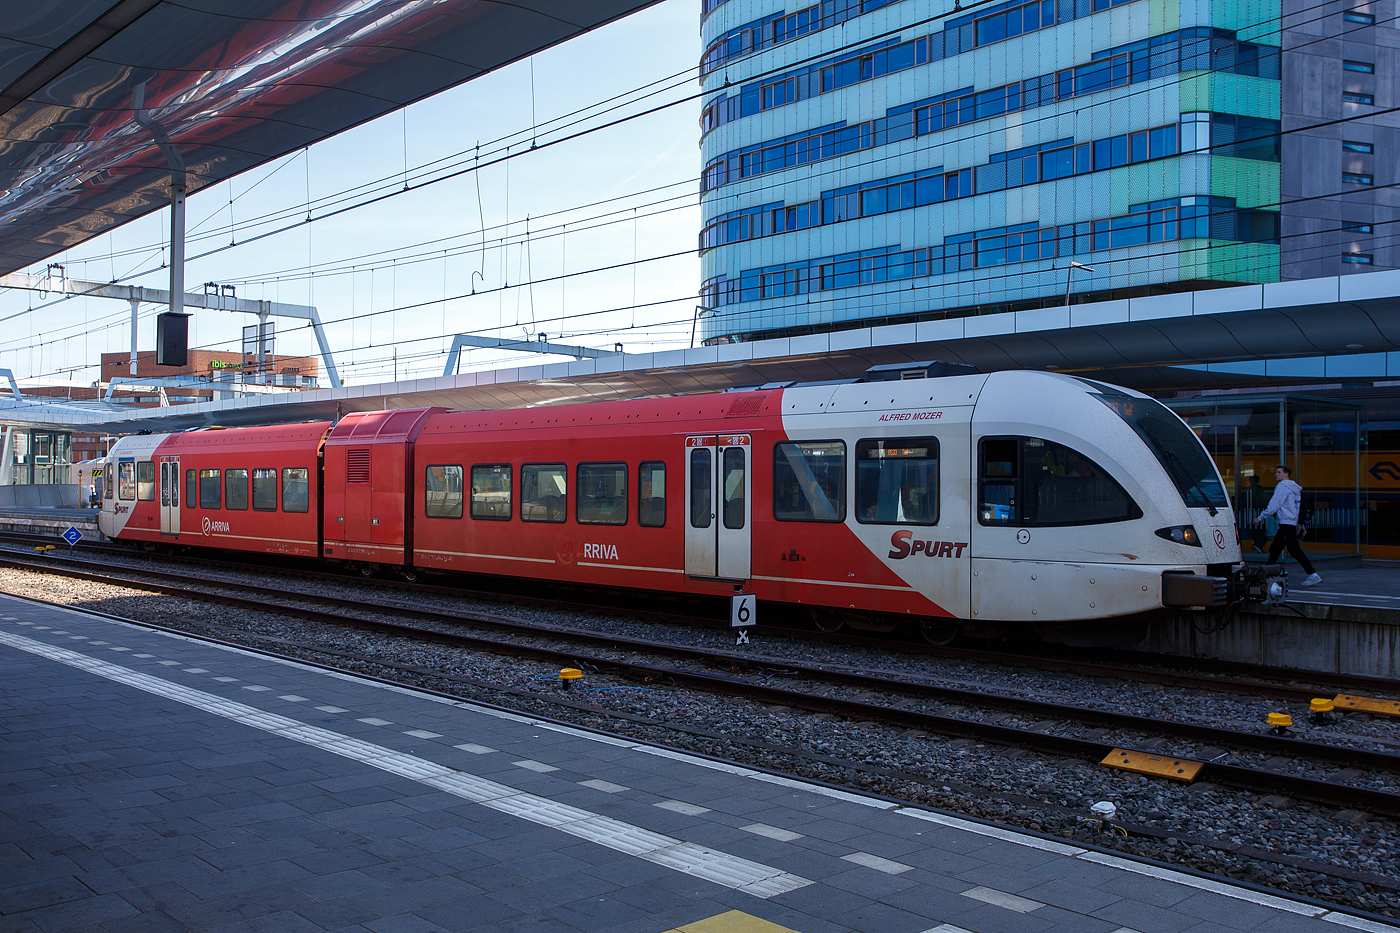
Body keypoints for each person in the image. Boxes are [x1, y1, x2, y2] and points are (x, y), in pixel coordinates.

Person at [1254, 465, 1321, 586]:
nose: (1276, 474)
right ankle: (1267, 574)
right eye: (1276, 472)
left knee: (1294, 550)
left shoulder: (1282, 487)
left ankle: (1312, 574)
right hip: (1290, 523)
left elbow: (1274, 504)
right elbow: (1298, 508)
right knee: (1275, 549)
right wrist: (1300, 524)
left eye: (1278, 472)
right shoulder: (1295, 489)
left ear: (1286, 474)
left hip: (1285, 523)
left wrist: (1260, 517)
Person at [1241, 474, 1268, 554]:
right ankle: (1259, 545)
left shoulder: (1250, 490)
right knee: (1259, 530)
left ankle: (1259, 545)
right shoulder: (1253, 490)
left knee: (1259, 530)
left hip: (1254, 511)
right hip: (1255, 511)